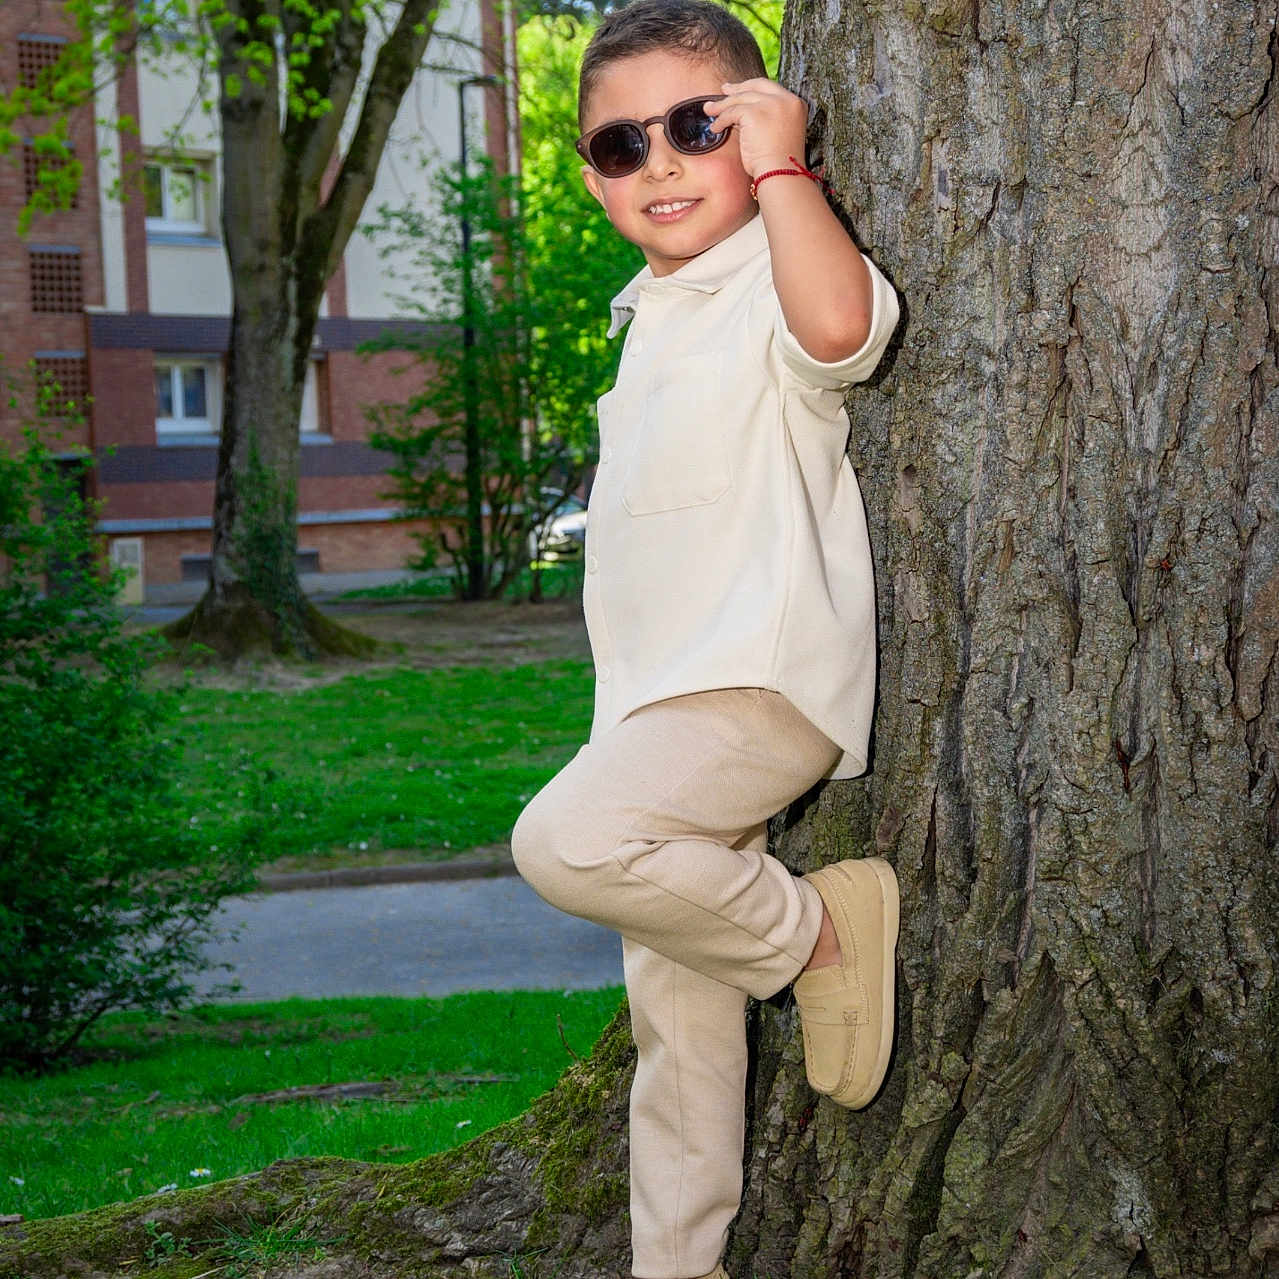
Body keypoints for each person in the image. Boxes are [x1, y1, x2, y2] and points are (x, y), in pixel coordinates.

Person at [511, 2, 901, 1276]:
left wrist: (783, 171)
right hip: (657, 707)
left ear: (759, 125)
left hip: (758, 681)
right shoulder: (649, 316)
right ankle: (676, 1263)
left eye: (698, 126)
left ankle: (816, 936)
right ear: (592, 176)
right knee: (675, 1031)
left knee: (566, 839)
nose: (661, 162)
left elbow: (840, 332)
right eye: (622, 146)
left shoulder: (769, 282)